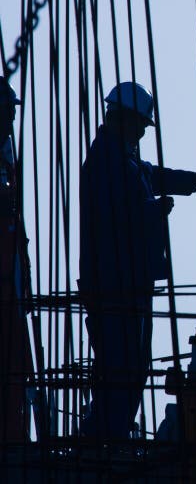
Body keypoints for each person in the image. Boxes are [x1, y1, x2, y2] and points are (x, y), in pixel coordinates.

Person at [79, 81, 196, 440]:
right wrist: (156, 211)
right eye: (140, 124)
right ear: (123, 119)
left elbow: (153, 176)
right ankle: (104, 435)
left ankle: (113, 430)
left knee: (131, 365)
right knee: (119, 365)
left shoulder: (125, 158)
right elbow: (117, 219)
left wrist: (193, 182)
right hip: (114, 283)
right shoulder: (106, 163)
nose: (142, 131)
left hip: (130, 280)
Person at [0, 77, 34, 443]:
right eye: (7, 109)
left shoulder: (7, 160)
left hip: (12, 288)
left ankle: (15, 439)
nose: (11, 116)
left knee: (16, 372)